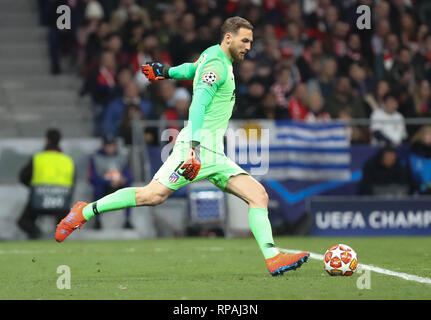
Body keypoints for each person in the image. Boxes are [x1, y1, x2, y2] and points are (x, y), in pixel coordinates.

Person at [55, 16, 310, 276]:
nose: (248, 46)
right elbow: (198, 104)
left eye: (251, 42)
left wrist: (165, 72)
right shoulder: (218, 67)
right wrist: (193, 147)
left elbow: (191, 69)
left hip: (215, 154)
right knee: (152, 195)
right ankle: (84, 211)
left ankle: (273, 257)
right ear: (229, 38)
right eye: (245, 41)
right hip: (197, 147)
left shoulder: (213, 55)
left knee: (258, 196)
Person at [18, 129, 75, 239]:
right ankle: (59, 238)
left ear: (47, 141)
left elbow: (23, 177)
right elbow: (72, 184)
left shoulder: (38, 158)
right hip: (61, 204)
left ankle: (36, 234)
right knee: (64, 223)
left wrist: (35, 188)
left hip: (38, 203)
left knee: (23, 221)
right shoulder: (68, 161)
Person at [87, 134, 134, 229]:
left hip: (119, 185)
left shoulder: (122, 157)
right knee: (97, 189)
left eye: (112, 145)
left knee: (129, 189)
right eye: (107, 145)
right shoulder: (96, 157)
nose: (110, 148)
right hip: (103, 185)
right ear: (103, 146)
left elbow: (129, 176)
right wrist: (108, 182)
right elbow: (92, 178)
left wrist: (123, 180)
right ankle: (97, 221)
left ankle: (128, 220)